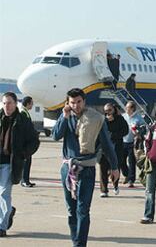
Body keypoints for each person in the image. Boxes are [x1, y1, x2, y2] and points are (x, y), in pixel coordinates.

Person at [52, 88, 119, 247]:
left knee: (82, 210)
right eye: (72, 102)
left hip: (87, 168)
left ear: (84, 101)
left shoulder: (96, 119)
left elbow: (107, 144)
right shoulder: (66, 118)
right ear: (67, 103)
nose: (75, 105)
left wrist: (115, 167)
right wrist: (64, 116)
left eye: (78, 102)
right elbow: (55, 135)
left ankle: (80, 244)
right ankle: (76, 241)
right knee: (71, 210)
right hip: (68, 169)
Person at [0, 92, 39, 237]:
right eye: (4, 103)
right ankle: (8, 211)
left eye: (9, 103)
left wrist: (23, 154)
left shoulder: (22, 120)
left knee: (4, 193)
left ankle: (2, 226)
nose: (6, 106)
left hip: (9, 163)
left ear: (15, 103)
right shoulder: (0, 117)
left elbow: (35, 141)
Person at [100, 103, 129, 197]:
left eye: (109, 110)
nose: (108, 112)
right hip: (104, 148)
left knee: (115, 168)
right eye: (106, 111)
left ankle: (115, 185)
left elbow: (125, 131)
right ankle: (104, 190)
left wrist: (114, 135)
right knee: (103, 169)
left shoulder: (120, 119)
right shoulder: (102, 120)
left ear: (114, 110)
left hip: (117, 148)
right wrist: (106, 121)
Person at [122, 101, 145, 188]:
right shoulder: (123, 116)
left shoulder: (138, 118)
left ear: (133, 109)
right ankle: (127, 174)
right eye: (126, 107)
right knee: (121, 161)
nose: (126, 109)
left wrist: (138, 130)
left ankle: (131, 180)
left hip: (133, 142)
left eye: (128, 108)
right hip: (123, 141)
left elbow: (143, 128)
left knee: (131, 162)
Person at [20, 96, 37, 187]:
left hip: (27, 143)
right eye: (31, 103)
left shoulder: (26, 113)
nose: (32, 105)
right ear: (28, 103)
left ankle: (26, 180)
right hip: (25, 143)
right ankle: (24, 180)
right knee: (26, 162)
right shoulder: (23, 114)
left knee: (28, 161)